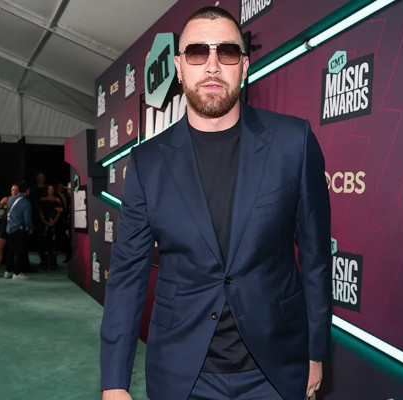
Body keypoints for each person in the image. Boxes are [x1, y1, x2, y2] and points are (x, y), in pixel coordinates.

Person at [100, 6, 332, 400]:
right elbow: (127, 277)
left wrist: (315, 350)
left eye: (226, 52)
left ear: (244, 66)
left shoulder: (294, 142)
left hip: (275, 369)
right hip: (182, 373)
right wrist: (114, 382)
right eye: (196, 53)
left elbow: (315, 258)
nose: (212, 66)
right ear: (178, 67)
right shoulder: (147, 162)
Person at [4, 181, 32, 280]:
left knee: (10, 251)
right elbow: (27, 219)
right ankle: (17, 272)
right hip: (19, 229)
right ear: (27, 190)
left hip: (10, 228)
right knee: (19, 251)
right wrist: (29, 228)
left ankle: (8, 271)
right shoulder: (26, 203)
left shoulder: (11, 199)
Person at [0, 183, 19, 273]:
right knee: (0, 246)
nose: (14, 192)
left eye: (16, 190)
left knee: (15, 248)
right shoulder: (7, 199)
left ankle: (15, 267)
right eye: (13, 190)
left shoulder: (20, 200)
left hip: (15, 224)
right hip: (5, 223)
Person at [38, 184, 63, 269]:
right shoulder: (42, 199)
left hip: (55, 221)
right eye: (49, 189)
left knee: (54, 242)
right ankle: (44, 262)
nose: (50, 190)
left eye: (52, 189)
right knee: (44, 241)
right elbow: (40, 210)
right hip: (44, 221)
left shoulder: (57, 199)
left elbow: (59, 211)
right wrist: (44, 221)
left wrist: (54, 221)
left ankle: (53, 262)